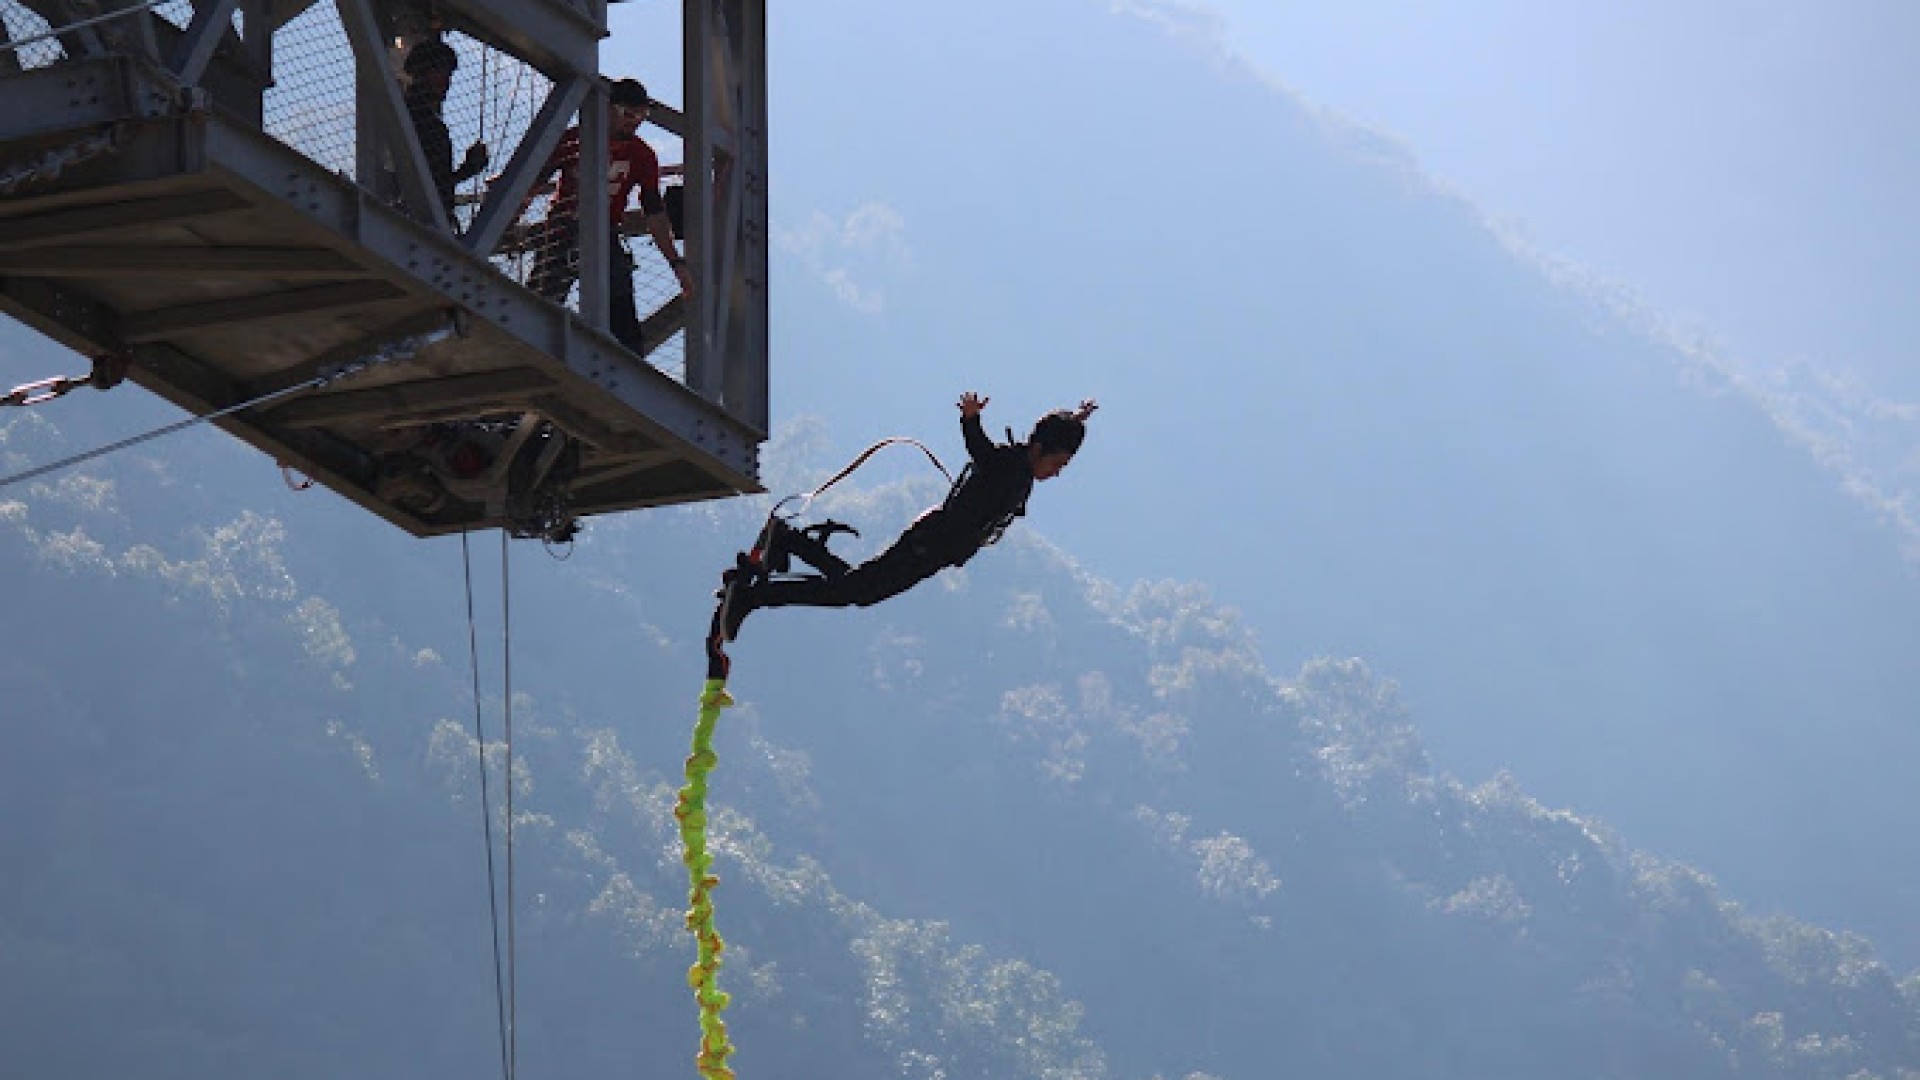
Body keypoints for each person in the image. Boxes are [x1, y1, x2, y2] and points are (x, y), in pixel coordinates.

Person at [721, 393, 1097, 641]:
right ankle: (754, 595)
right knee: (855, 592)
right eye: (1058, 462)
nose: (1057, 472)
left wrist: (1077, 421)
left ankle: (787, 542)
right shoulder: (1009, 463)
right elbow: (981, 450)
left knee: (857, 588)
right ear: (1039, 448)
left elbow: (1045, 436)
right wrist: (971, 419)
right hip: (930, 543)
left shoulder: (1022, 468)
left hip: (935, 548)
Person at [526, 77, 692, 353]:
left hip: (604, 233)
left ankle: (629, 358)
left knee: (621, 305)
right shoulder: (574, 139)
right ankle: (531, 342)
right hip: (562, 228)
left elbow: (654, 212)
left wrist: (676, 262)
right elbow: (534, 180)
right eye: (629, 114)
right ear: (609, 109)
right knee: (543, 297)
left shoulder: (642, 155)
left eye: (642, 116)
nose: (635, 122)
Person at [402, 39, 489, 224]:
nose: (446, 81)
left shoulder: (416, 115)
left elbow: (435, 183)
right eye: (439, 72)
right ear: (421, 72)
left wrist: (466, 170)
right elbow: (432, 185)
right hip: (421, 218)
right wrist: (467, 170)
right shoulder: (418, 118)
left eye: (448, 74)